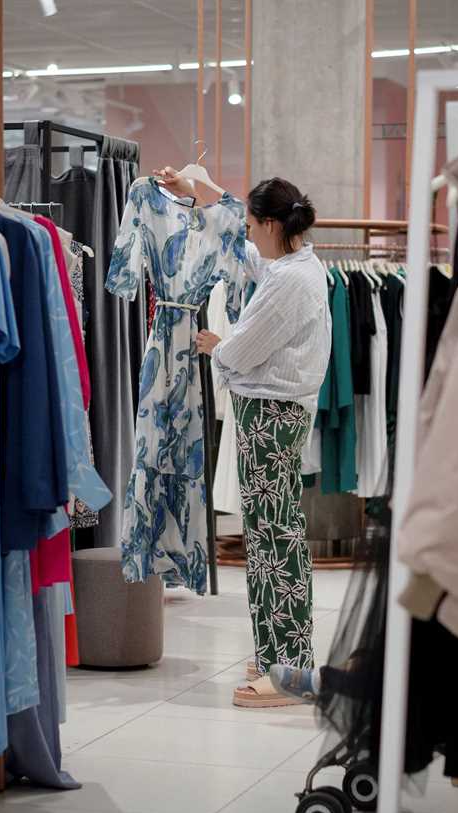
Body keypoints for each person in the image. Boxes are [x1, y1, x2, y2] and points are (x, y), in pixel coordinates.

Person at [152, 168, 332, 708]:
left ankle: (290, 670)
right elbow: (242, 244)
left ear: (274, 225)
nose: (248, 233)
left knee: (275, 537)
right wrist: (201, 192)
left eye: (255, 224)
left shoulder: (292, 281)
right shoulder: (292, 264)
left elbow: (244, 347)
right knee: (270, 533)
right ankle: (279, 655)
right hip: (274, 410)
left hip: (273, 412)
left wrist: (214, 345)